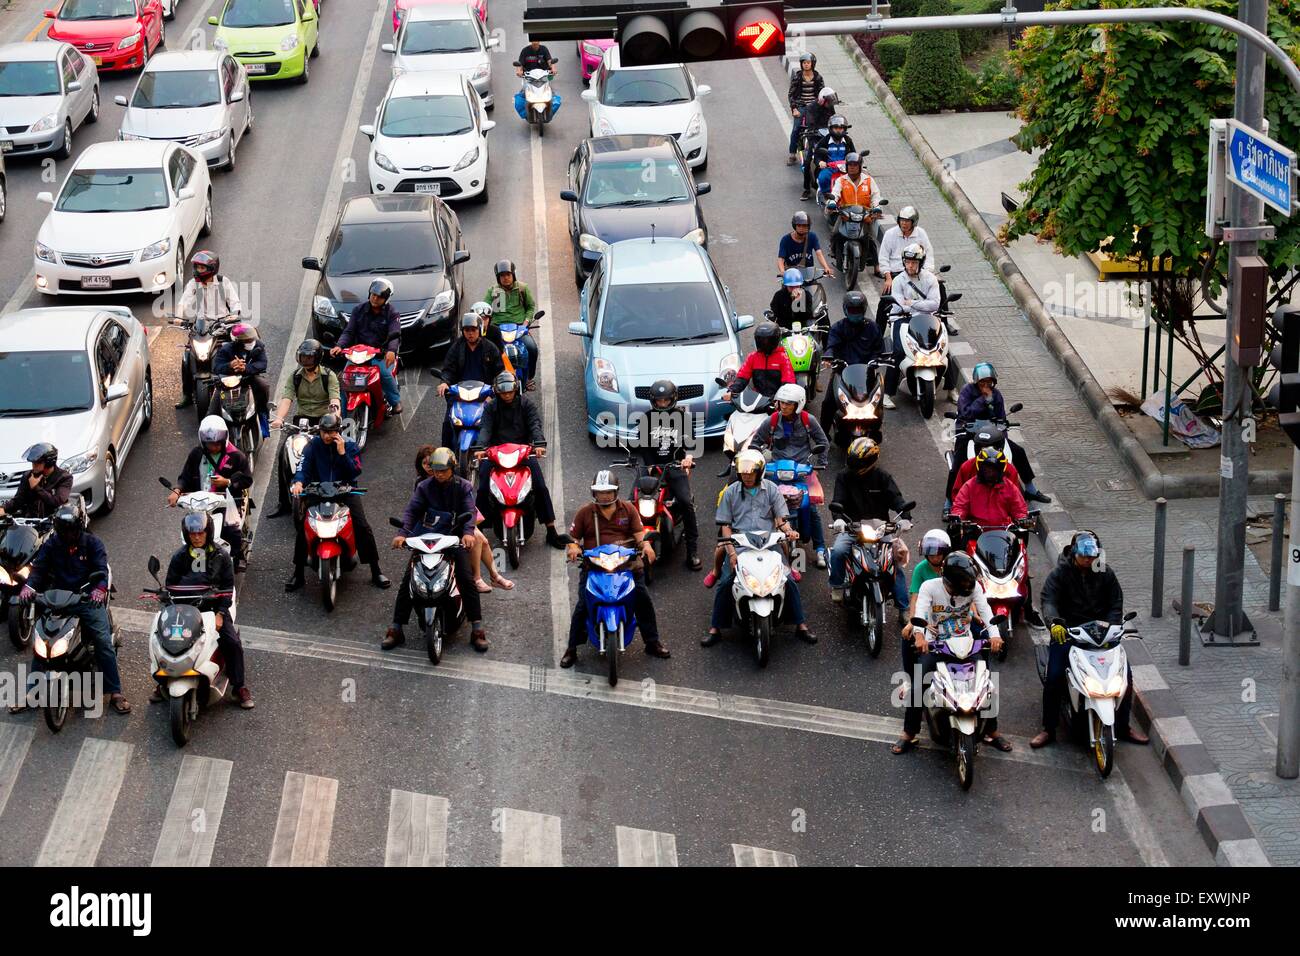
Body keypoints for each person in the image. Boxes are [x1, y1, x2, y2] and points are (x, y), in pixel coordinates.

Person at [1033, 531, 1149, 748]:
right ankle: (1048, 729)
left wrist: (1112, 625)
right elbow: (1049, 600)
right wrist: (1056, 623)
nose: (1089, 560)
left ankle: (1123, 727)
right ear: (1075, 553)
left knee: (1125, 676)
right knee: (1055, 676)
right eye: (1085, 556)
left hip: (1101, 634)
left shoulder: (1106, 573)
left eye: (1092, 557)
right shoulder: (1060, 574)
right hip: (1069, 632)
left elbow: (1116, 602)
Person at [894, 551, 1009, 753]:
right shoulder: (929, 587)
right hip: (936, 645)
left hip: (965, 644)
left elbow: (986, 611)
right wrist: (920, 636)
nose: (967, 588)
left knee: (986, 685)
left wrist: (995, 635)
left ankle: (992, 731)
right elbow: (920, 612)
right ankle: (909, 733)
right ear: (949, 581)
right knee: (920, 685)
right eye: (962, 585)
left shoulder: (973, 588)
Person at [21, 505, 130, 714]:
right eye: (63, 531)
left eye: (70, 530)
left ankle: (115, 692)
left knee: (102, 642)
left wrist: (99, 590)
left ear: (79, 527)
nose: (67, 535)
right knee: (41, 640)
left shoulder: (93, 543)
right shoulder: (52, 544)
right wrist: (29, 587)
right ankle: (31, 693)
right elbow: (39, 570)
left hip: (87, 599)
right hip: (58, 598)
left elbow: (101, 570)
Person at [704, 449, 815, 646]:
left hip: (769, 543)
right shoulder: (730, 492)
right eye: (743, 473)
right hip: (741, 544)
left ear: (759, 472)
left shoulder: (772, 489)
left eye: (750, 473)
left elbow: (781, 520)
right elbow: (726, 525)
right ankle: (716, 627)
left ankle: (800, 625)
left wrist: (788, 530)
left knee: (787, 580)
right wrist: (731, 551)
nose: (746, 477)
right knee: (726, 582)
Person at [560, 470, 670, 667]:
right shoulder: (585, 512)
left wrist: (646, 545)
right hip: (594, 566)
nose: (605, 495)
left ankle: (652, 642)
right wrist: (574, 547)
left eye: (609, 491)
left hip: (626, 565)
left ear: (616, 491)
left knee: (642, 600)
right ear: (594, 493)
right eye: (600, 492)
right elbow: (573, 539)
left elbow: (639, 534)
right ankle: (572, 648)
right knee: (583, 605)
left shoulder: (628, 509)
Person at [387, 447, 487, 652]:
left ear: (452, 468)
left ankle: (477, 629)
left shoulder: (463, 486)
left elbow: (469, 511)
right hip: (426, 538)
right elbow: (412, 511)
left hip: (453, 539)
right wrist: (402, 534)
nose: (439, 473)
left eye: (443, 470)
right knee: (409, 580)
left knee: (467, 580)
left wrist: (468, 533)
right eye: (436, 470)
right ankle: (396, 628)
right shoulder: (424, 487)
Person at [158, 511, 253, 708]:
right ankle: (163, 680)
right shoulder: (179, 557)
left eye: (200, 533)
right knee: (163, 638)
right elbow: (170, 586)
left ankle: (239, 687)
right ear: (187, 534)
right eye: (193, 534)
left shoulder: (222, 556)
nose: (197, 537)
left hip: (213, 609)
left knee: (232, 642)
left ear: (208, 532)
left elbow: (227, 589)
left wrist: (220, 614)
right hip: (184, 609)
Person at [286, 413, 389, 591]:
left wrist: (342, 454)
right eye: (324, 432)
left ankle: (375, 570)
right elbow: (303, 468)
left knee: (362, 526)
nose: (327, 436)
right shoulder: (312, 446)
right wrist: (299, 483)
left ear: (338, 431)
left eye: (331, 432)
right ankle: (298, 574)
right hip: (318, 491)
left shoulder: (349, 445)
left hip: (345, 490)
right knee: (305, 528)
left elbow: (355, 471)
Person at [474, 371, 569, 549]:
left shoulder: (527, 405)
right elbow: (485, 429)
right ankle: (476, 530)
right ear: (497, 392)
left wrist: (539, 444)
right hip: (496, 454)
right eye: (503, 392)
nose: (507, 395)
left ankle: (551, 530)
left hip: (522, 453)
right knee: (482, 488)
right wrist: (481, 448)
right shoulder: (490, 408)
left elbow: (535, 424)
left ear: (515, 389)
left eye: (509, 392)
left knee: (540, 486)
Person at [749, 382, 830, 567]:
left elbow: (822, 442)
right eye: (781, 402)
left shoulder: (809, 420)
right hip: (776, 471)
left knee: (811, 509)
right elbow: (756, 442)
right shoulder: (771, 421)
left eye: (788, 403)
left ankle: (820, 549)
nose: (783, 406)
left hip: (801, 472)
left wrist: (821, 463)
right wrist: (757, 459)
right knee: (766, 506)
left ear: (798, 404)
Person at [827, 438, 910, 612]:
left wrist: (905, 517)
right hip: (852, 527)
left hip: (880, 528)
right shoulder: (843, 476)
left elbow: (897, 499)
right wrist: (839, 519)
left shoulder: (883, 477)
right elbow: (838, 501)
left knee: (894, 563)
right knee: (839, 551)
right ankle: (836, 585)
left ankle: (904, 609)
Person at [416, 444, 512, 593]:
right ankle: (479, 578)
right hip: (437, 525)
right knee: (479, 539)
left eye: (432, 464)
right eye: (425, 464)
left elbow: (465, 504)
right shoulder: (423, 485)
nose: (430, 468)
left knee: (482, 540)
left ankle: (494, 576)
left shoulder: (454, 482)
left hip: (457, 519)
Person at [952, 362, 1051, 504]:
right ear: (976, 381)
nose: (986, 385)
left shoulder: (997, 395)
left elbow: (1001, 418)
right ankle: (949, 499)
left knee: (1019, 452)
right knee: (958, 463)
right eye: (982, 382)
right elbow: (966, 413)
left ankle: (1030, 489)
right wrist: (983, 400)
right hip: (969, 434)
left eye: (989, 382)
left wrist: (1002, 437)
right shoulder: (967, 392)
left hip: (992, 437)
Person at [168, 416, 254, 571]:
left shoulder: (236, 456)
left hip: (226, 502)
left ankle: (237, 556)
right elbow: (185, 476)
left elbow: (247, 479)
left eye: (217, 443)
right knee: (193, 531)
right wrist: (177, 490)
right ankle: (197, 566)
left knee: (231, 530)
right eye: (210, 443)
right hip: (201, 504)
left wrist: (227, 482)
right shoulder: (196, 454)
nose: (213, 446)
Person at [268, 338, 341, 517]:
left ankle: (337, 495)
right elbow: (287, 399)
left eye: (308, 358)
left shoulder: (328, 376)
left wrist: (334, 418)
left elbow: (334, 401)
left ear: (316, 358)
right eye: (302, 357)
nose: (304, 360)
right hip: (301, 420)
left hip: (323, 422)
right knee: (284, 455)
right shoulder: (295, 376)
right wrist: (279, 419)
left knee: (333, 454)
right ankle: (283, 502)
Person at [634, 380, 702, 570]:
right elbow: (643, 446)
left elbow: (690, 443)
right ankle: (629, 546)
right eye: (659, 401)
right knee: (631, 501)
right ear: (653, 401)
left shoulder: (683, 418)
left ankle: (692, 550)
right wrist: (648, 465)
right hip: (652, 467)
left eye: (666, 400)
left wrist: (687, 458)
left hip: (674, 466)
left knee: (686, 502)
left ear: (673, 399)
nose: (662, 404)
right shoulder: (646, 419)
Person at [883, 242, 958, 409]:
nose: (910, 266)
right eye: (908, 262)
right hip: (902, 319)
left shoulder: (930, 279)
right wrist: (920, 304)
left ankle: (952, 389)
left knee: (944, 351)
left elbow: (935, 305)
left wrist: (913, 303)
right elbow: (901, 306)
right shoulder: (898, 281)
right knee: (898, 352)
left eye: (914, 262)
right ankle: (887, 394)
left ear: (921, 263)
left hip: (927, 320)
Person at [174, 250, 243, 409]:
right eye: (196, 267)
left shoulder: (223, 282)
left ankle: (236, 388)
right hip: (201, 327)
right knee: (187, 358)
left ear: (212, 268)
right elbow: (183, 302)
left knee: (232, 353)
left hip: (222, 326)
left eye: (202, 268)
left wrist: (233, 315)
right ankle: (187, 395)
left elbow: (235, 303)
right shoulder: (193, 284)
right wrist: (179, 317)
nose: (198, 271)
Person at [331, 278, 402, 415]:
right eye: (373, 294)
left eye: (379, 297)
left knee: (385, 374)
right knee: (345, 380)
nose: (375, 298)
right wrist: (340, 346)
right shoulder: (358, 310)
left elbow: (395, 334)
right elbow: (349, 331)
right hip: (359, 354)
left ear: (386, 299)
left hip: (380, 354)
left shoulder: (392, 313)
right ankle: (343, 416)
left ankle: (395, 401)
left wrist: (391, 351)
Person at [819, 291, 886, 431]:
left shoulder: (873, 327)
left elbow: (879, 349)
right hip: (842, 372)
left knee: (877, 404)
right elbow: (831, 346)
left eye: (858, 310)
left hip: (867, 374)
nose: (855, 313)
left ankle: (874, 430)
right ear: (845, 310)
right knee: (828, 403)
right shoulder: (837, 328)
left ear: (864, 309)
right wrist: (829, 357)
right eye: (852, 310)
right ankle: (823, 438)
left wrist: (876, 360)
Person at [439, 312, 504, 448]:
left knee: (498, 422)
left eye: (473, 330)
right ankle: (446, 455)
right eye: (466, 330)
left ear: (479, 330)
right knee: (448, 423)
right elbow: (448, 368)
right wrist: (444, 382)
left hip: (484, 394)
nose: (470, 333)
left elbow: (499, 373)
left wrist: (492, 393)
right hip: (460, 394)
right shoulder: (457, 347)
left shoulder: (490, 348)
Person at [876, 206, 948, 330]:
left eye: (907, 221)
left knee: (940, 288)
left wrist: (928, 273)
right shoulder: (890, 234)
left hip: (919, 270)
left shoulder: (921, 233)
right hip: (896, 273)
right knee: (886, 299)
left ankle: (944, 324)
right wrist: (887, 277)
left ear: (913, 222)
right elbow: (883, 257)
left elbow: (929, 254)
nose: (904, 223)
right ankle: (878, 331)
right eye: (902, 220)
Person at [950, 447, 1028, 538]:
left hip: (1004, 535)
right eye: (986, 467)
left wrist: (1023, 519)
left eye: (993, 468)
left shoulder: (1009, 487)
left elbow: (1019, 509)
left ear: (1000, 469)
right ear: (980, 467)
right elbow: (959, 506)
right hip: (975, 534)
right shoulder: (969, 486)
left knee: (1021, 546)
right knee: (957, 546)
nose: (989, 471)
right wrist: (958, 517)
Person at [483, 261, 539, 385]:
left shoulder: (523, 288)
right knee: (486, 352)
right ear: (498, 277)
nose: (506, 278)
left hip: (519, 328)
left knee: (532, 348)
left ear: (513, 274)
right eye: (502, 275)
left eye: (508, 274)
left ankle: (529, 377)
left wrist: (526, 322)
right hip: (497, 328)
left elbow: (530, 306)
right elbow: (485, 308)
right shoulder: (492, 291)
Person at [210, 322, 270, 438]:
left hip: (248, 379)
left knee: (264, 386)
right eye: (247, 341)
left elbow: (262, 363)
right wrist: (230, 365)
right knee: (213, 410)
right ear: (237, 341)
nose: (250, 342)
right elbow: (216, 367)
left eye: (251, 339)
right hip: (227, 382)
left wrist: (246, 368)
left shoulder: (258, 346)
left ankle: (263, 415)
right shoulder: (225, 349)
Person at [826, 153, 881, 266]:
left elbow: (876, 196)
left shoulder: (869, 180)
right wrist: (832, 202)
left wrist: (877, 207)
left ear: (860, 166)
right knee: (836, 233)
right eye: (850, 164)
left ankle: (876, 266)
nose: (852, 167)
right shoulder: (841, 180)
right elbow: (835, 193)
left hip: (864, 215)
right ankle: (833, 250)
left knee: (870, 239)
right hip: (846, 214)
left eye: (855, 164)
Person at [0, 443, 72, 519]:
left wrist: (36, 488)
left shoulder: (64, 478)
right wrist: (3, 508)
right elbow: (18, 501)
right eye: (33, 462)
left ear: (49, 462)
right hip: (30, 522)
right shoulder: (28, 476)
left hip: (53, 522)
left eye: (38, 462)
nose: (33, 465)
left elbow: (57, 502)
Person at [729, 321, 795, 399]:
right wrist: (733, 390)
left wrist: (780, 398)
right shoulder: (752, 357)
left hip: (777, 401)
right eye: (761, 340)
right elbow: (742, 377)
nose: (765, 343)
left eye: (767, 340)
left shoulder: (782, 358)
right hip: (757, 400)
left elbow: (788, 382)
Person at [799, 86, 839, 198]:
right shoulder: (811, 107)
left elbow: (834, 119)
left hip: (828, 135)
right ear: (822, 100)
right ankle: (806, 189)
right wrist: (813, 130)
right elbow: (810, 122)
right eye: (828, 102)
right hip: (815, 136)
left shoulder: (830, 107)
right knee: (807, 162)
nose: (830, 105)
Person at [786, 52, 823, 167]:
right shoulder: (797, 77)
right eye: (804, 63)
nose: (806, 65)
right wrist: (794, 109)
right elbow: (791, 95)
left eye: (808, 63)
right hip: (801, 106)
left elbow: (822, 93)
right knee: (796, 129)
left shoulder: (818, 77)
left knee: (822, 129)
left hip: (814, 106)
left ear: (813, 64)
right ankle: (792, 154)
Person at [777, 210, 835, 279]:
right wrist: (782, 271)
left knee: (816, 289)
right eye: (799, 225)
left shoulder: (812, 237)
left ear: (808, 227)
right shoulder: (785, 240)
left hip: (808, 274)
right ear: (794, 226)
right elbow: (781, 259)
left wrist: (826, 267)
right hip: (791, 276)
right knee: (786, 290)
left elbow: (819, 253)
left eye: (804, 225)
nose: (801, 228)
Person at [812, 114, 856, 199]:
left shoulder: (848, 140)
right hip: (829, 168)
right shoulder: (824, 141)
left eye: (841, 128)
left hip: (845, 168)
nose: (839, 131)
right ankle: (827, 195)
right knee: (823, 178)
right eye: (836, 128)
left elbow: (853, 154)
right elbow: (817, 155)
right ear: (831, 129)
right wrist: (820, 162)